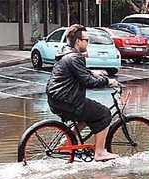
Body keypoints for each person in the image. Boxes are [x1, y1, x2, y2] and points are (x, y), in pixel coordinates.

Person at [46, 24, 119, 162]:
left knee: (87, 116)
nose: (88, 42)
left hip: (58, 100)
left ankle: (66, 142)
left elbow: (77, 72)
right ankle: (100, 153)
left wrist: (93, 72)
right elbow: (88, 82)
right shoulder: (75, 57)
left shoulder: (67, 54)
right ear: (78, 41)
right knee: (103, 113)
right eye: (86, 40)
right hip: (68, 101)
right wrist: (108, 82)